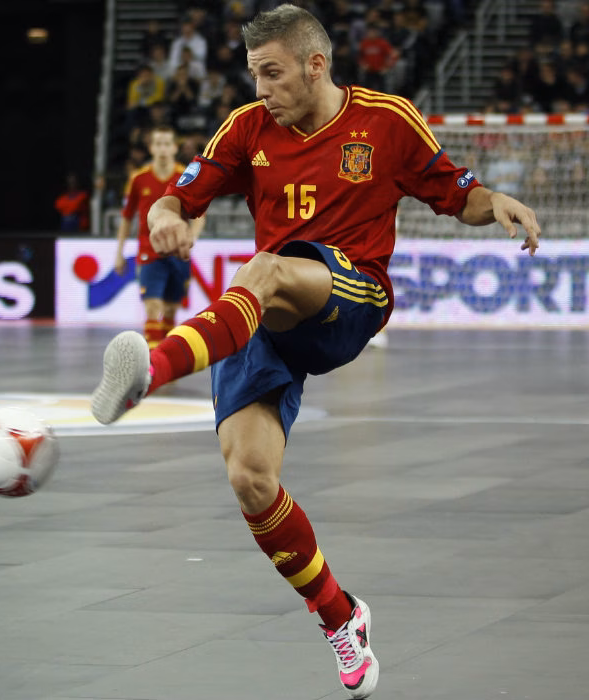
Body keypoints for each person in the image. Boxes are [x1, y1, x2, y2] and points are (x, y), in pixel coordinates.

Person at [89, 6, 541, 698]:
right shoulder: (246, 128)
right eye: (254, 75)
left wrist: (496, 201)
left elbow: (456, 193)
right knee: (250, 478)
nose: (261, 88)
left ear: (315, 64)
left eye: (272, 73)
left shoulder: (386, 120)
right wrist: (164, 220)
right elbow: (178, 199)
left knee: (262, 269)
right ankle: (341, 616)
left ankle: (153, 367)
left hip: (350, 298)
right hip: (262, 321)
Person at [114, 125, 205, 348]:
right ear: (151, 148)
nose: (163, 148)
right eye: (158, 143)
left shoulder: (186, 175)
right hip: (149, 251)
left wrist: (190, 237)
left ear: (174, 148)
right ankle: (152, 363)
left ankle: (166, 354)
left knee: (172, 308)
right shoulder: (138, 179)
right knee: (153, 306)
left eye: (167, 143)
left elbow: (200, 215)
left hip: (178, 252)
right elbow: (127, 218)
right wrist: (119, 253)